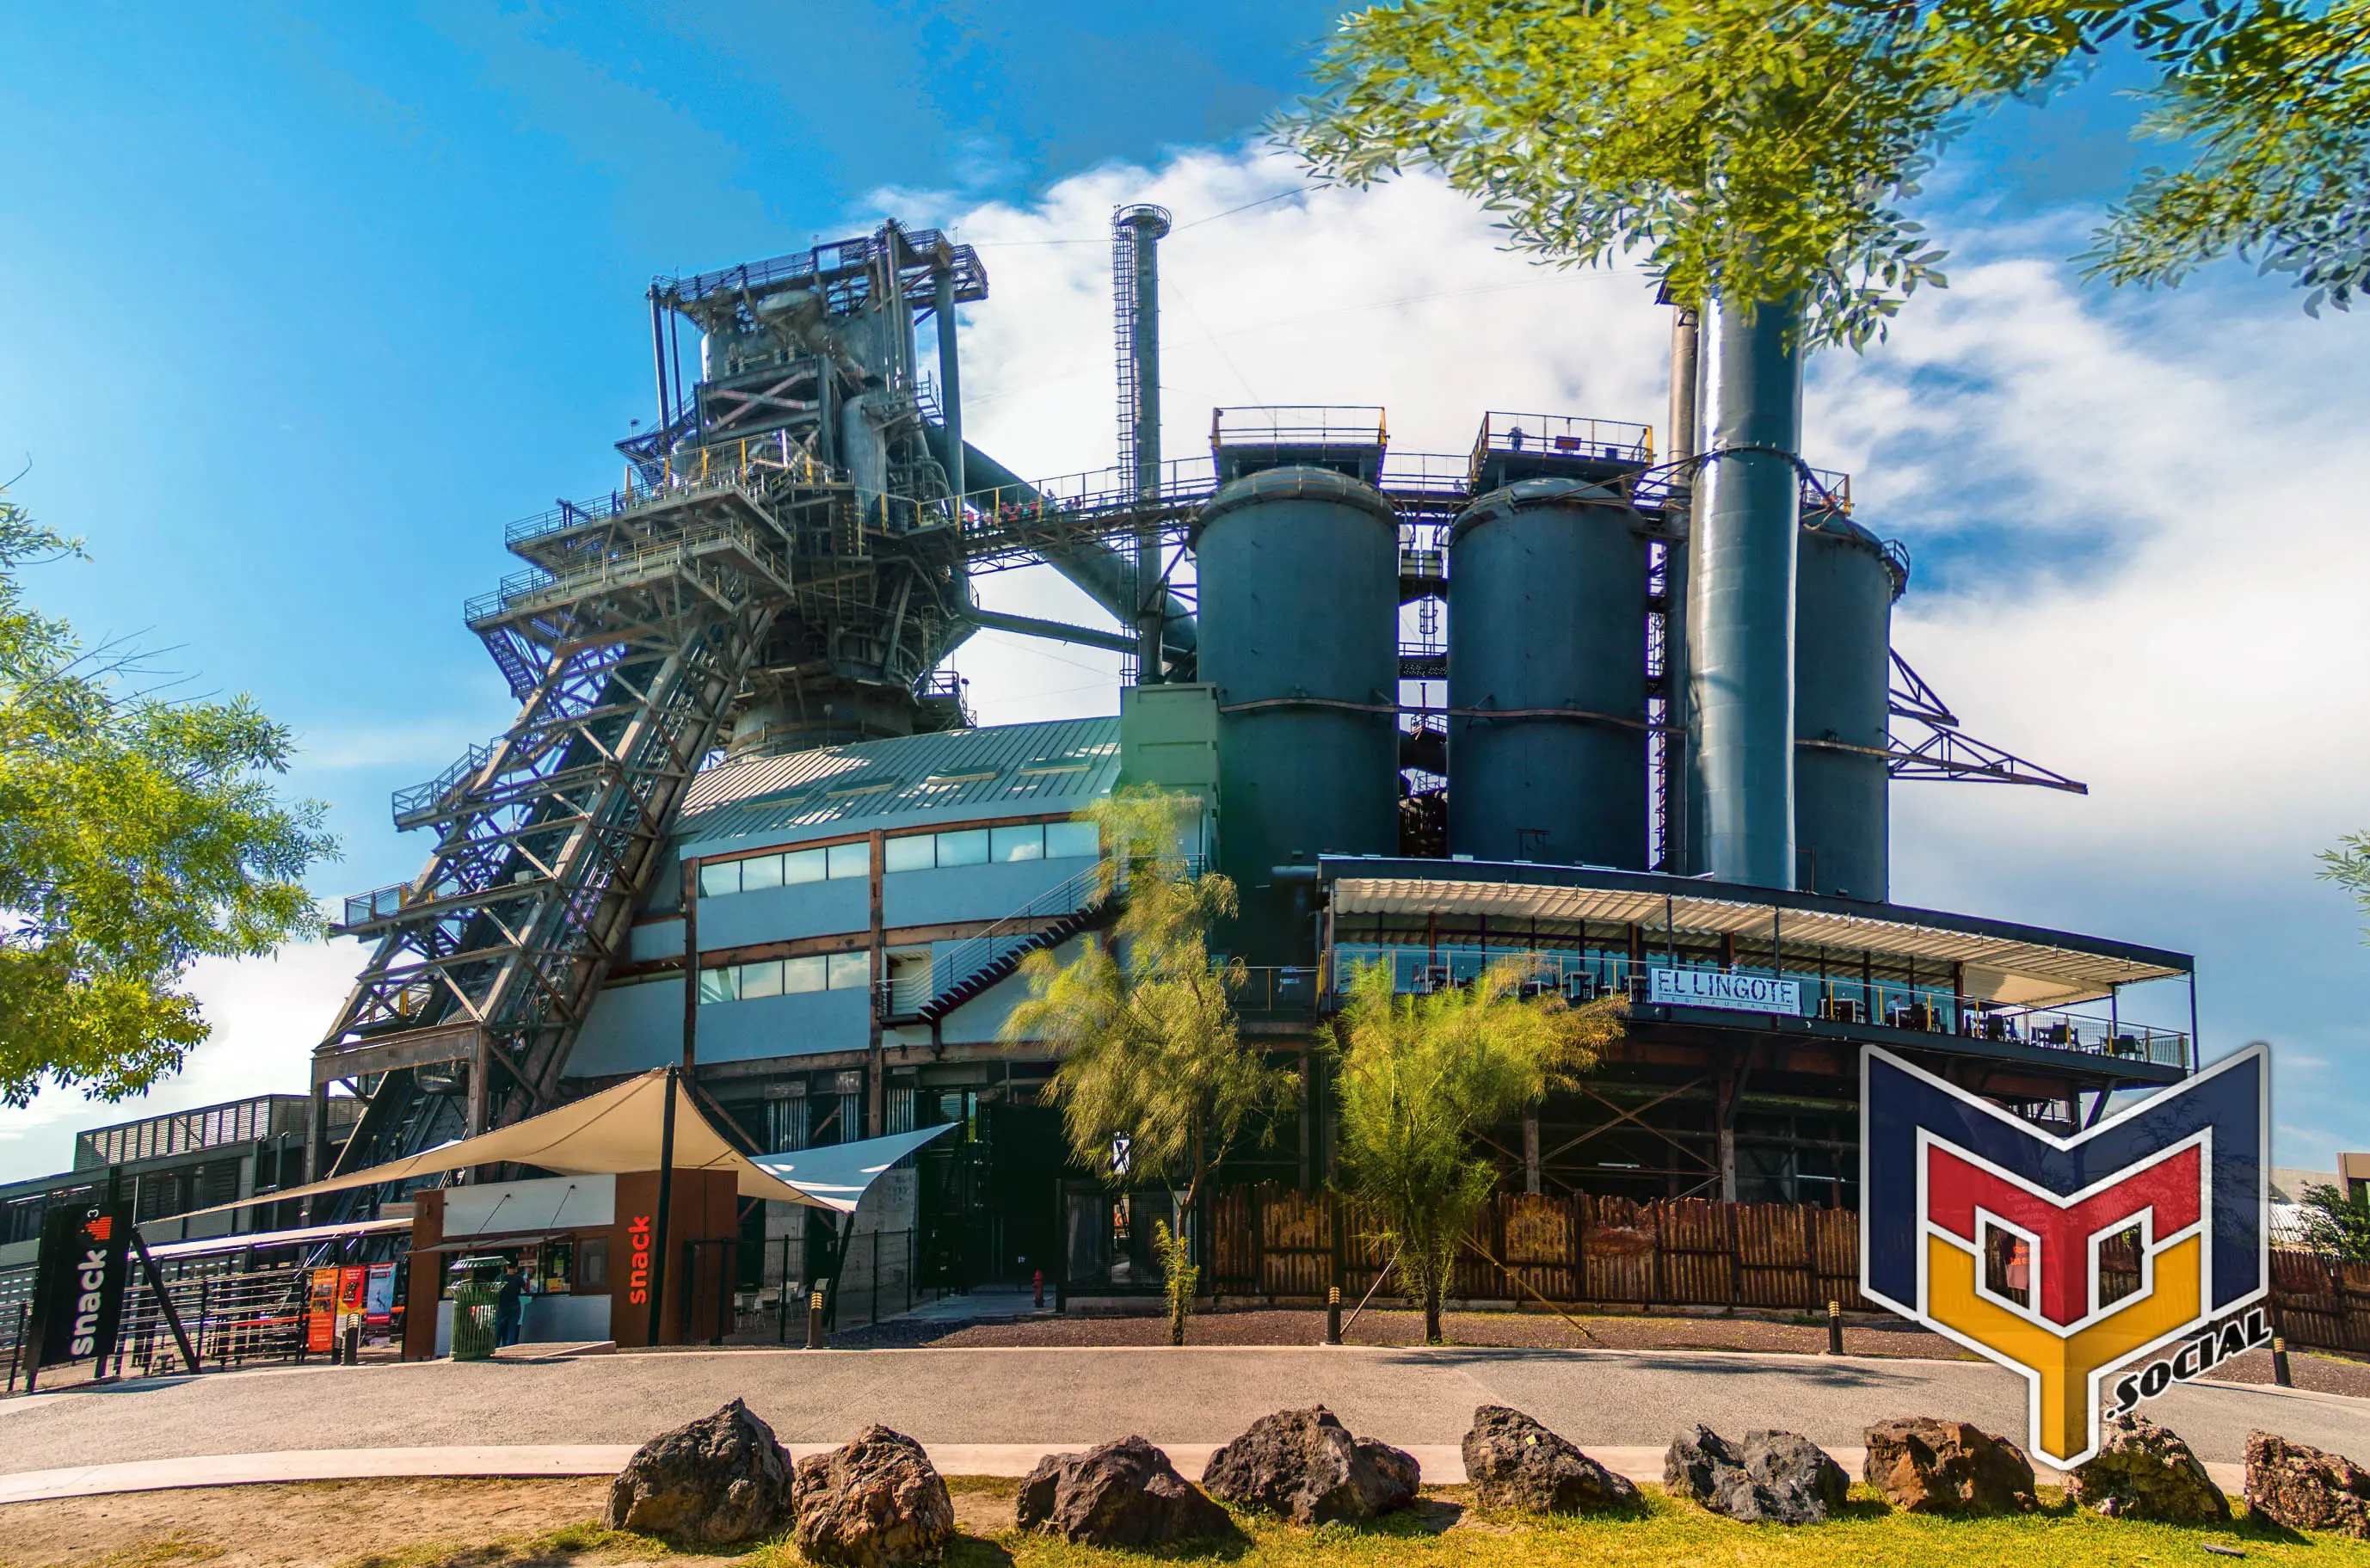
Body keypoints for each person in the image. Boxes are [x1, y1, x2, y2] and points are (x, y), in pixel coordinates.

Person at [495, 1261, 529, 1349]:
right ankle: (510, 1347)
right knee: (512, 1329)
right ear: (516, 1268)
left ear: (506, 1267)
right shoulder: (518, 1278)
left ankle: (496, 1346)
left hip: (502, 1306)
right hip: (514, 1305)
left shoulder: (500, 1278)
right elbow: (527, 1290)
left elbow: (494, 1291)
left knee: (499, 1329)